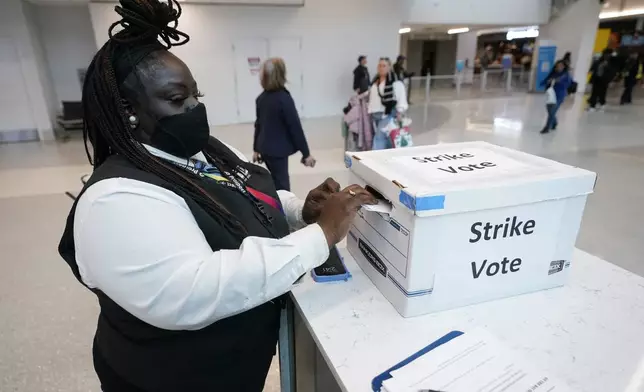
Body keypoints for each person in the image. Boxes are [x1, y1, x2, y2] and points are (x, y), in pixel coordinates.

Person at [57, 1, 376, 391]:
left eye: (196, 94)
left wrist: (299, 212)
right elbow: (196, 290)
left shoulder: (205, 149)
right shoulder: (116, 199)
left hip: (237, 367)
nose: (195, 108)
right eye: (177, 99)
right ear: (128, 111)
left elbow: (244, 195)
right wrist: (320, 236)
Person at [253, 58, 314, 191]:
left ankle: (274, 205)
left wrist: (256, 149)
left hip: (264, 149)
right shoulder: (284, 99)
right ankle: (281, 210)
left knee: (274, 182)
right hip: (277, 152)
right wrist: (306, 154)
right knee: (282, 186)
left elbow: (258, 125)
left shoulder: (261, 99)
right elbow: (295, 128)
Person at [368, 57, 408, 150]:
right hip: (375, 114)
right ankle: (389, 156)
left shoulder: (396, 83)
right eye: (379, 65)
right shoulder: (375, 81)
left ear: (389, 67)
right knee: (388, 138)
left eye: (384, 66)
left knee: (379, 138)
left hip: (388, 114)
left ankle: (376, 159)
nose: (381, 68)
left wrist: (400, 112)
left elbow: (401, 99)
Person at [540, 60, 572, 134]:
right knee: (549, 109)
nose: (559, 67)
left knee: (553, 110)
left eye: (561, 66)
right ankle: (554, 122)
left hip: (559, 95)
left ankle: (547, 127)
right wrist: (546, 82)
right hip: (551, 94)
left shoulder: (566, 75)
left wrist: (558, 81)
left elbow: (567, 84)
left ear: (564, 67)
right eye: (558, 66)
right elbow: (546, 80)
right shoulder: (553, 73)